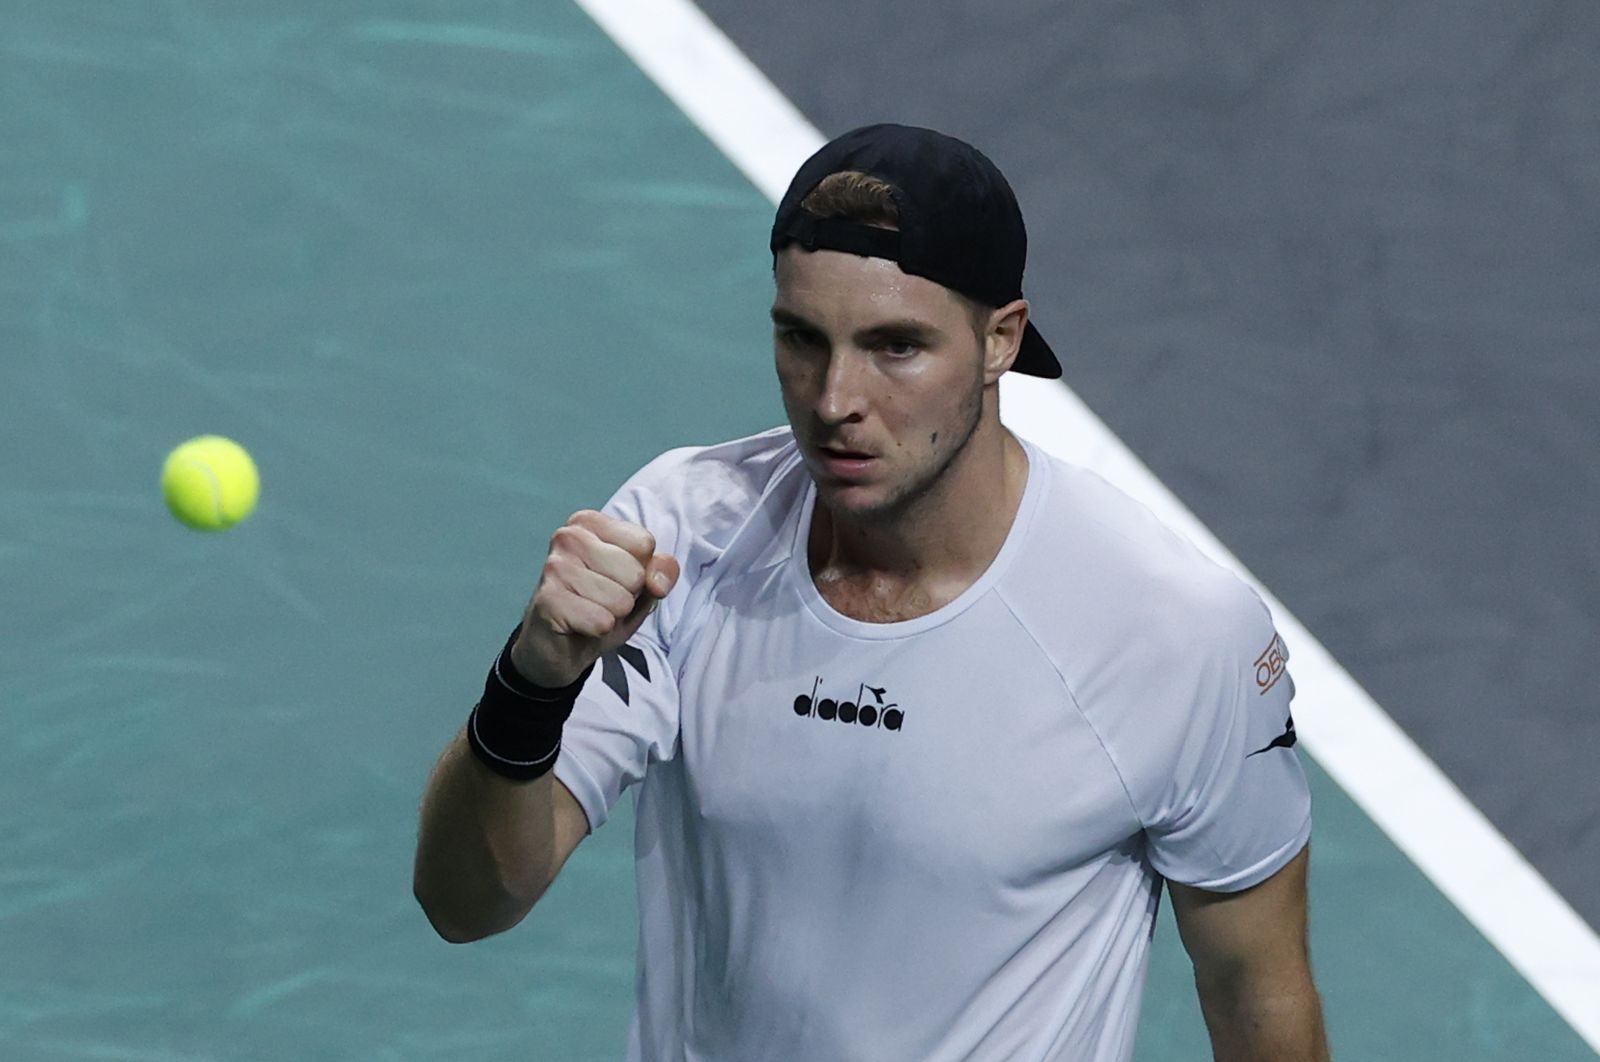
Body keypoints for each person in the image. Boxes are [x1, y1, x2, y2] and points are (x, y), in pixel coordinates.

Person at [413, 123, 1329, 1061]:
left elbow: (1256, 993)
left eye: (896, 347)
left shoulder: (1174, 630)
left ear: (1000, 340)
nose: (835, 400)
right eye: (803, 339)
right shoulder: (683, 536)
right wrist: (532, 684)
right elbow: (465, 902)